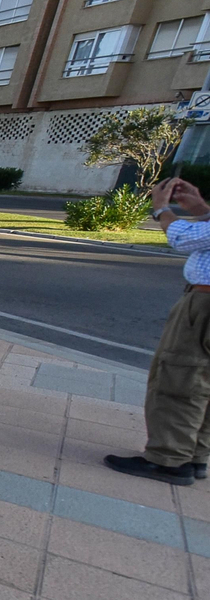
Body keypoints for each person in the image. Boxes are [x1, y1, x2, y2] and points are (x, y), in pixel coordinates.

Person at [104, 177, 210, 485]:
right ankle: (194, 456)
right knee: (202, 380)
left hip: (204, 304)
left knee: (180, 377)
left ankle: (169, 460)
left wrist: (161, 209)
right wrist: (203, 210)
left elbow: (183, 238)